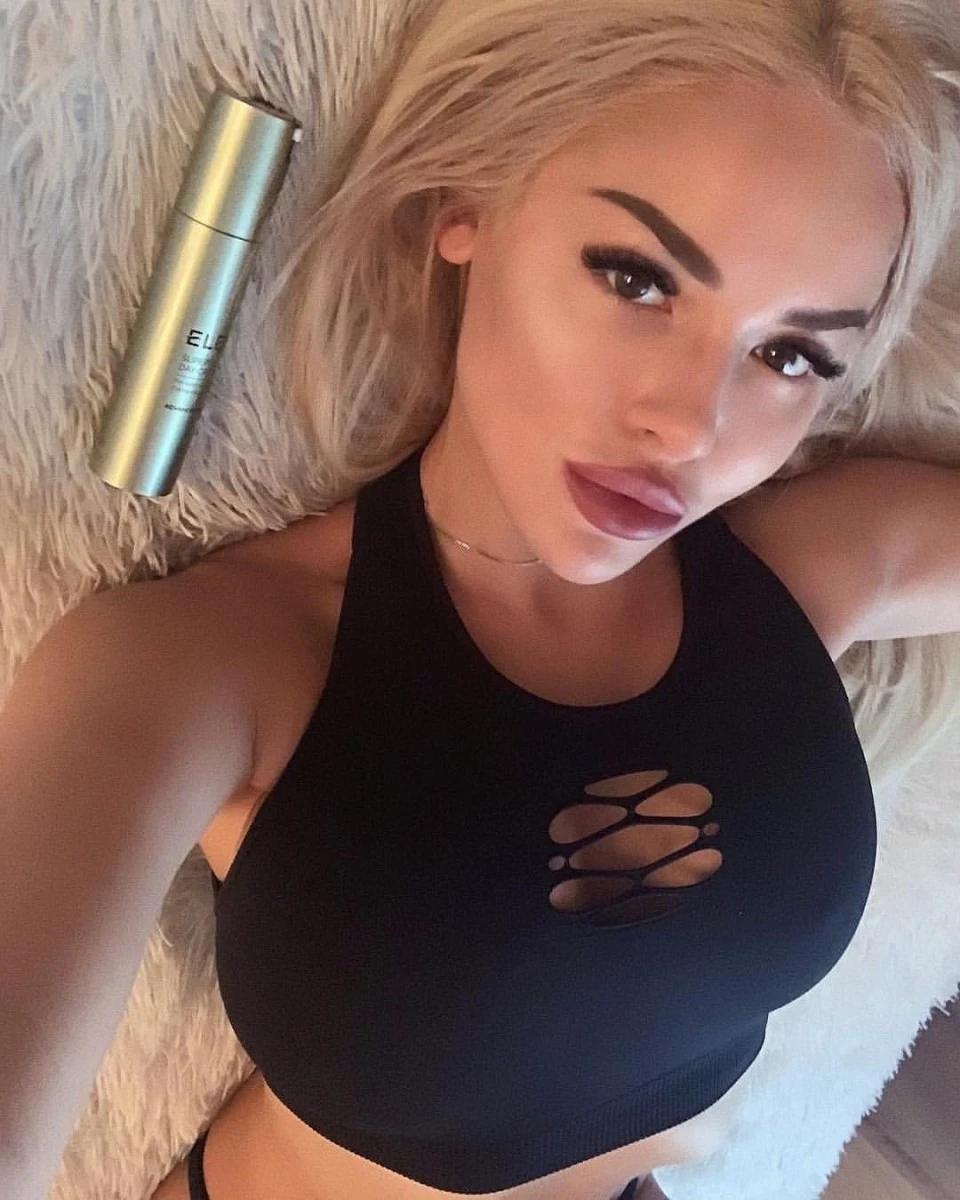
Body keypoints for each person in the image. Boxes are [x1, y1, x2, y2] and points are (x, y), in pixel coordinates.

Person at [4, 2, 959, 1200]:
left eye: (790, 355)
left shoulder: (802, 577)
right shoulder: (209, 659)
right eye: (637, 278)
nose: (691, 425)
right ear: (470, 203)